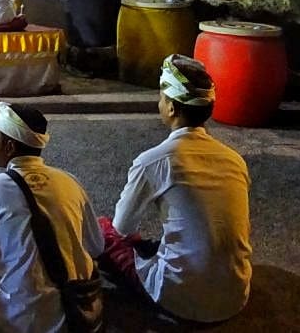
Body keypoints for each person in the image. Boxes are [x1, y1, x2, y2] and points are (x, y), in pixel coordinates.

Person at [100, 54, 253, 324]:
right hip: (236, 295)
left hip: (182, 299)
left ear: (171, 108)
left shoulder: (154, 161)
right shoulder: (234, 159)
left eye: (162, 96)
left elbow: (122, 228)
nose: (159, 102)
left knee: (104, 230)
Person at [0, 102, 103, 333]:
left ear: (9, 146)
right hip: (77, 311)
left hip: (21, 319)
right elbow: (96, 246)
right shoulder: (69, 180)